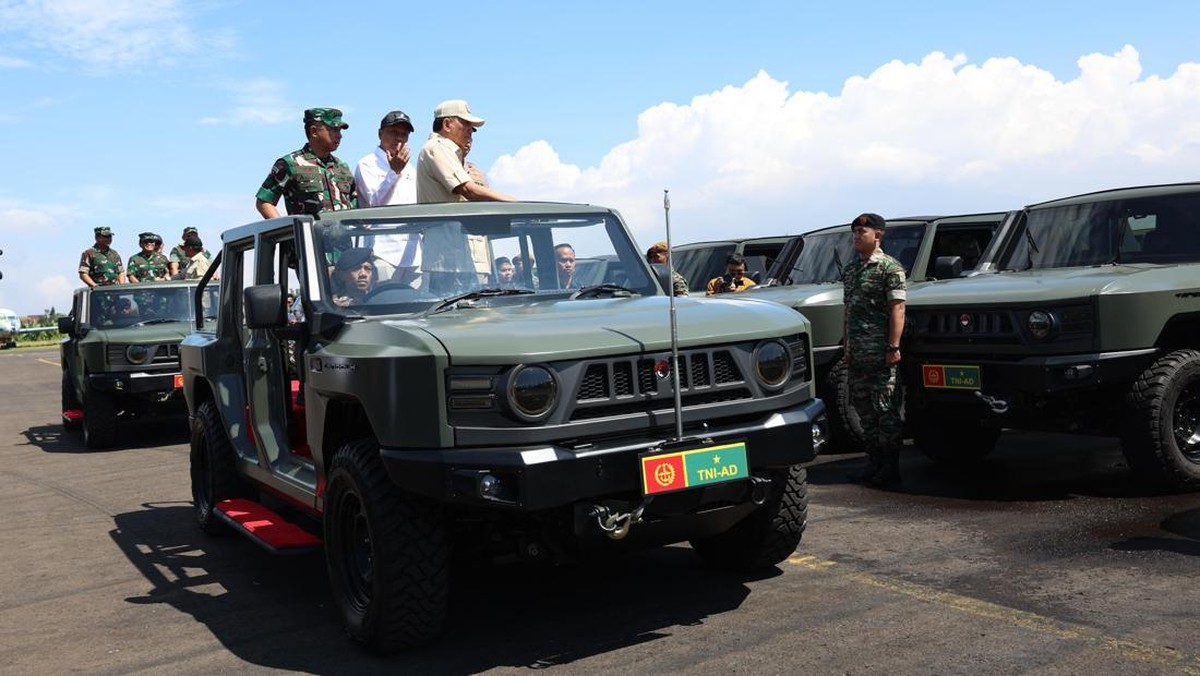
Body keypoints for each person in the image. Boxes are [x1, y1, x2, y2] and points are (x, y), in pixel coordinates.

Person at [841, 213, 907, 488]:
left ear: (877, 235)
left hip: (881, 354)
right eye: (855, 232)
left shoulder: (890, 268)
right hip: (858, 354)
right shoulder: (851, 270)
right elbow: (849, 311)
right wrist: (846, 345)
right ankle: (873, 464)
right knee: (864, 412)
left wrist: (893, 346)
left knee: (886, 412)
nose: (856, 237)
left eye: (862, 232)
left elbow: (897, 309)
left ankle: (890, 468)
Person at [256, 108, 357, 218]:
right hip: (310, 229)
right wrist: (288, 227)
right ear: (314, 131)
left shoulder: (342, 167)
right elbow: (264, 201)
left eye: (340, 131)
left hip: (343, 229)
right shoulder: (290, 163)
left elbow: (355, 205)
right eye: (334, 130)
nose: (339, 135)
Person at [415, 99, 515, 203]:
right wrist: (513, 202)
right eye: (466, 123)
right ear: (447, 125)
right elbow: (468, 190)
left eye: (471, 127)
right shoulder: (438, 146)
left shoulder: (442, 149)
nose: (471, 130)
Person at [355, 110, 417, 206]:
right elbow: (373, 204)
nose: (399, 138)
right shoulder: (366, 164)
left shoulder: (410, 168)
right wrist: (394, 172)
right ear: (380, 134)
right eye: (394, 132)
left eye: (404, 134)